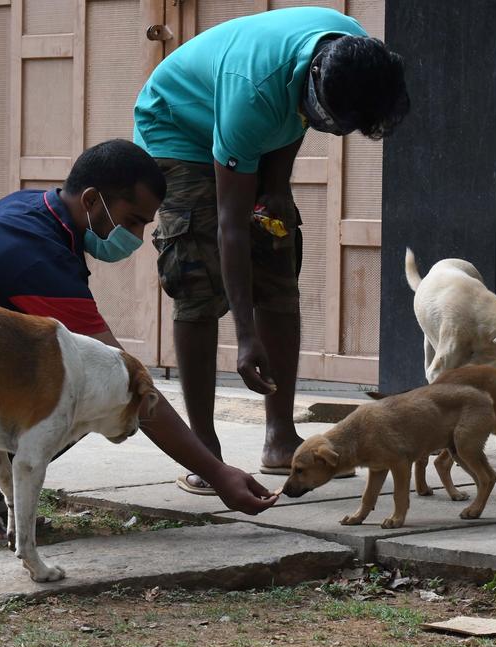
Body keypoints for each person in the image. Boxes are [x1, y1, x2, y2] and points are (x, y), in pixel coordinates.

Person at [0, 139, 274, 542]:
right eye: (131, 221)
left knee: (63, 373)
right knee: (88, 395)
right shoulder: (38, 257)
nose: (136, 236)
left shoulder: (34, 210)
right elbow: (130, 383)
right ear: (92, 200)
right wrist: (218, 474)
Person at [133, 6, 409, 493]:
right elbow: (230, 225)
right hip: (180, 127)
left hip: (254, 125)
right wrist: (244, 336)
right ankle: (204, 450)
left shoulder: (354, 52)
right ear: (316, 81)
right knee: (197, 274)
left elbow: (296, 115)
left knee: (279, 265)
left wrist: (278, 182)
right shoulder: (252, 95)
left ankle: (281, 439)